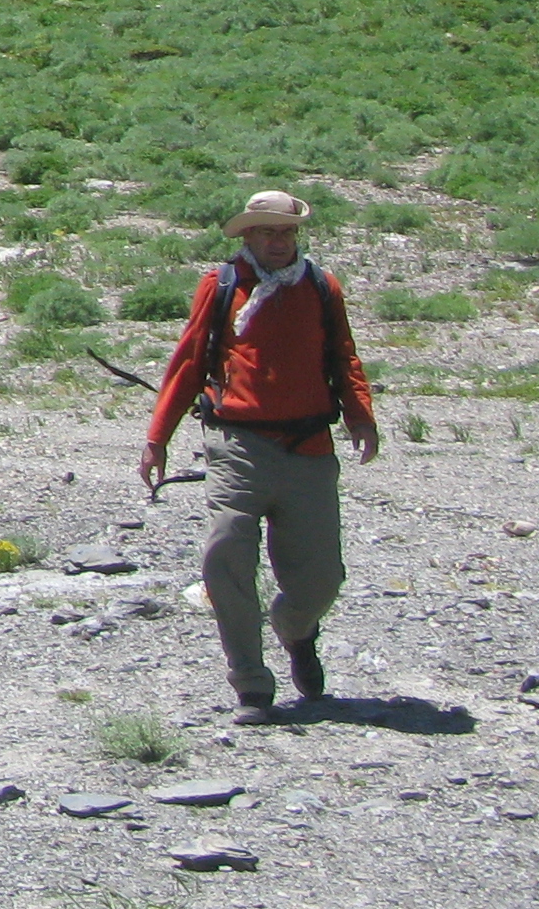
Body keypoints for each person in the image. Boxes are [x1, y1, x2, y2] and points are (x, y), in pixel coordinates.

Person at [142, 187, 379, 721]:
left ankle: (296, 631)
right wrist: (159, 437)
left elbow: (344, 354)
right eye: (268, 231)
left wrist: (360, 415)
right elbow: (188, 361)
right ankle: (251, 682)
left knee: (321, 579)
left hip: (309, 449)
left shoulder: (321, 287)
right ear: (248, 235)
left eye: (288, 231)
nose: (279, 241)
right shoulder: (223, 286)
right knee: (225, 553)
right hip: (238, 446)